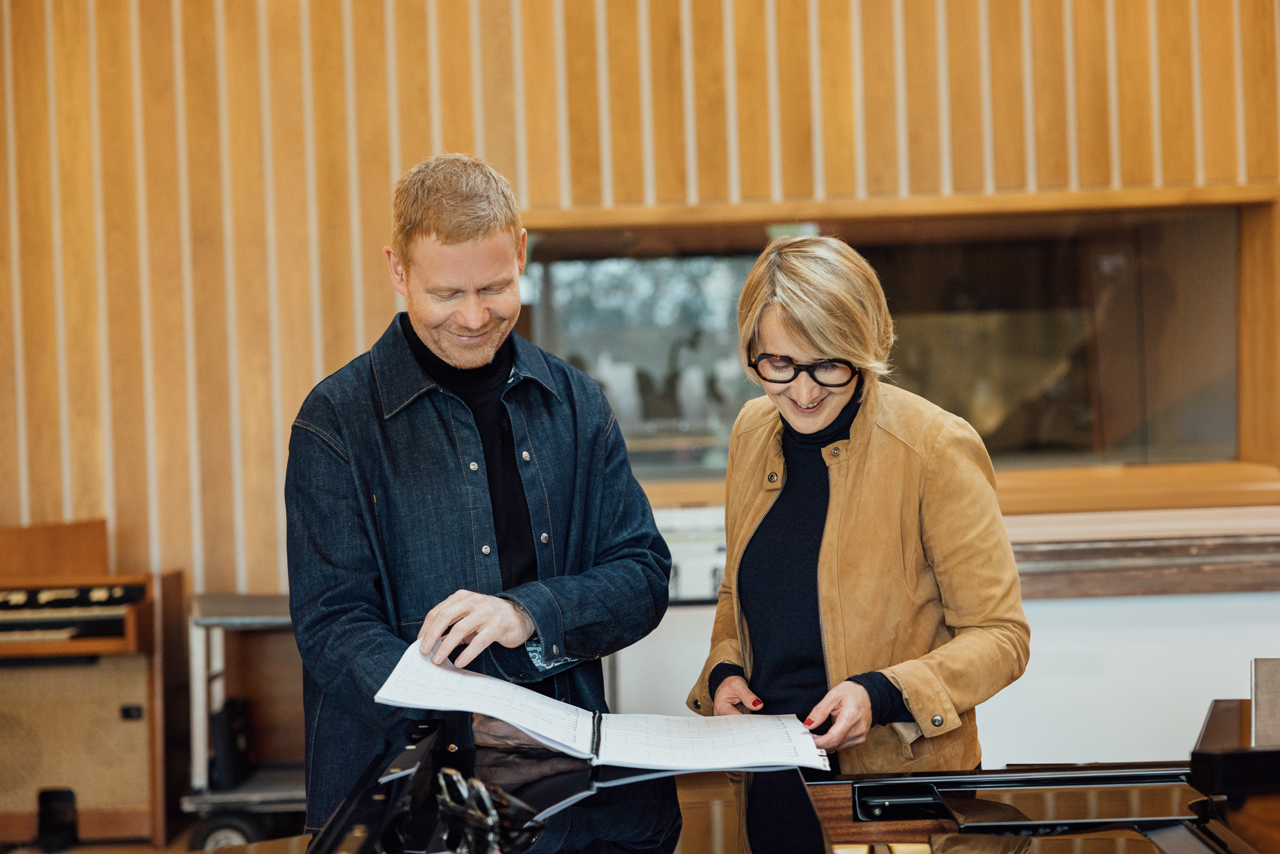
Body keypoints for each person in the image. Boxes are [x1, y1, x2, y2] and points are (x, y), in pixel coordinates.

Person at [287, 154, 673, 833]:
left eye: (494, 287)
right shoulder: (336, 423)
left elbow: (641, 577)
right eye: (446, 295)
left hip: (566, 807)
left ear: (521, 253)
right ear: (398, 271)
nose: (472, 317)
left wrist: (527, 613)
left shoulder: (581, 406)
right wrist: (458, 712)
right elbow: (332, 626)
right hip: (399, 807)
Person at [686, 236, 1030, 852]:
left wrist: (881, 695)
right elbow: (741, 588)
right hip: (773, 780)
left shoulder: (935, 448)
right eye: (780, 364)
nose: (804, 391)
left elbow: (1002, 639)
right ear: (751, 353)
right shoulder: (751, 432)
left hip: (900, 797)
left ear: (868, 349)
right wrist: (725, 671)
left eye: (830, 365)